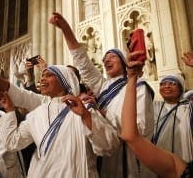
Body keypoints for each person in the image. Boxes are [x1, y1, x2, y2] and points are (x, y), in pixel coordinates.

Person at [49, 12, 155, 177]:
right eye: (105, 58)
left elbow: (140, 128)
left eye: (113, 56)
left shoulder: (139, 87)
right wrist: (65, 29)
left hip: (134, 161)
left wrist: (102, 113)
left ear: (124, 61)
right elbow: (83, 63)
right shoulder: (104, 87)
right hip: (109, 161)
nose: (106, 60)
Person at [0, 65, 119, 177]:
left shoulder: (83, 109)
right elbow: (12, 143)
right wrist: (9, 110)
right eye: (42, 76)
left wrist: (86, 116)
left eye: (48, 75)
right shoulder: (35, 115)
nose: (42, 79)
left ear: (64, 80)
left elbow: (108, 146)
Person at [120, 50, 192, 177]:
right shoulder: (154, 107)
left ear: (181, 89)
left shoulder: (189, 108)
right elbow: (131, 132)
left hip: (183, 164)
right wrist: (132, 77)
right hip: (161, 164)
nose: (166, 86)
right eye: (163, 84)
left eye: (172, 84)